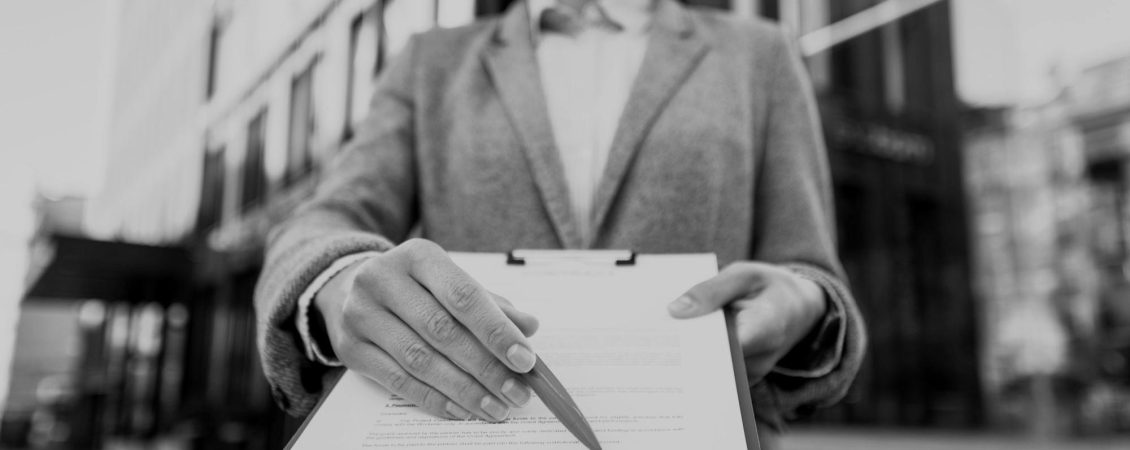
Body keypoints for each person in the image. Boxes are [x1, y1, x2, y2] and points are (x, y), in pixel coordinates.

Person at [254, 0, 865, 444]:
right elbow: (325, 219)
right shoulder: (430, 62)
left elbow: (807, 265)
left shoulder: (758, 54)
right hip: (473, 429)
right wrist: (340, 280)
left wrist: (802, 302)